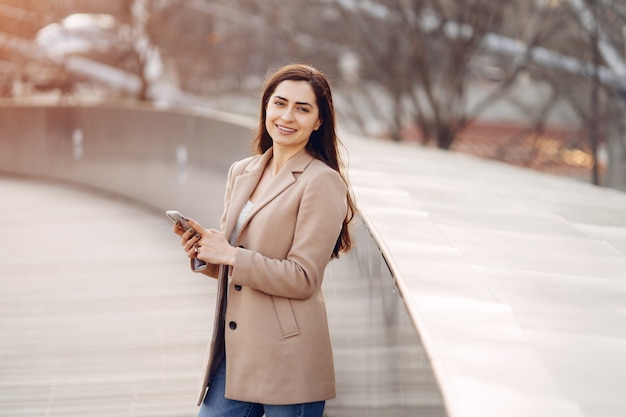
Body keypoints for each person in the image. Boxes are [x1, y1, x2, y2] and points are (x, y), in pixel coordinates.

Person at [173, 63, 357, 417]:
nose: (287, 116)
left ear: (319, 121)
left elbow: (302, 279)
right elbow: (236, 266)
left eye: (302, 109)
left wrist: (230, 257)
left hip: (289, 358)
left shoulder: (322, 182)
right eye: (280, 103)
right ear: (266, 107)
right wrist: (206, 255)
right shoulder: (243, 171)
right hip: (236, 352)